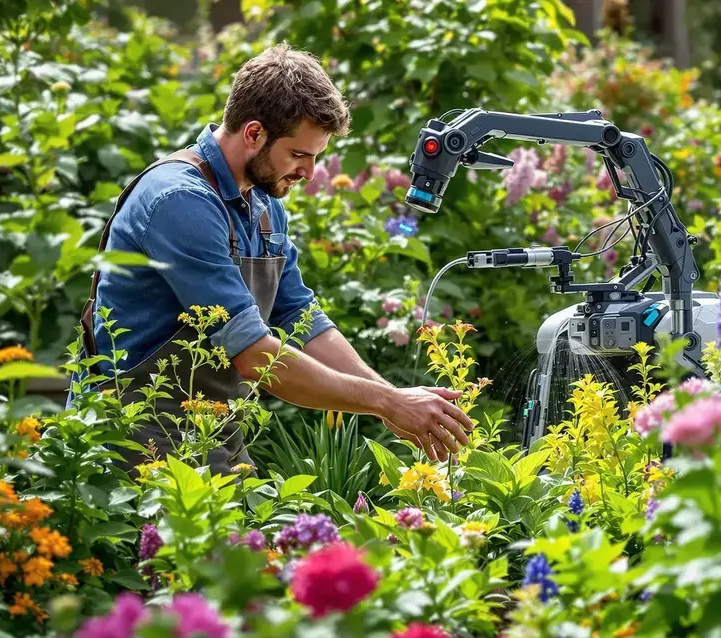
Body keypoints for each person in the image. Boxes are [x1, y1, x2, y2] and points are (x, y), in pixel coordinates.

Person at [71, 43, 472, 474]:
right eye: (299, 155)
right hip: (131, 434)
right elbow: (253, 354)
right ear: (254, 133)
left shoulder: (262, 204)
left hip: (211, 429)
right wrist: (387, 403)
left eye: (317, 156)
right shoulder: (180, 200)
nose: (310, 173)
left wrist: (393, 400)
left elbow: (302, 316)